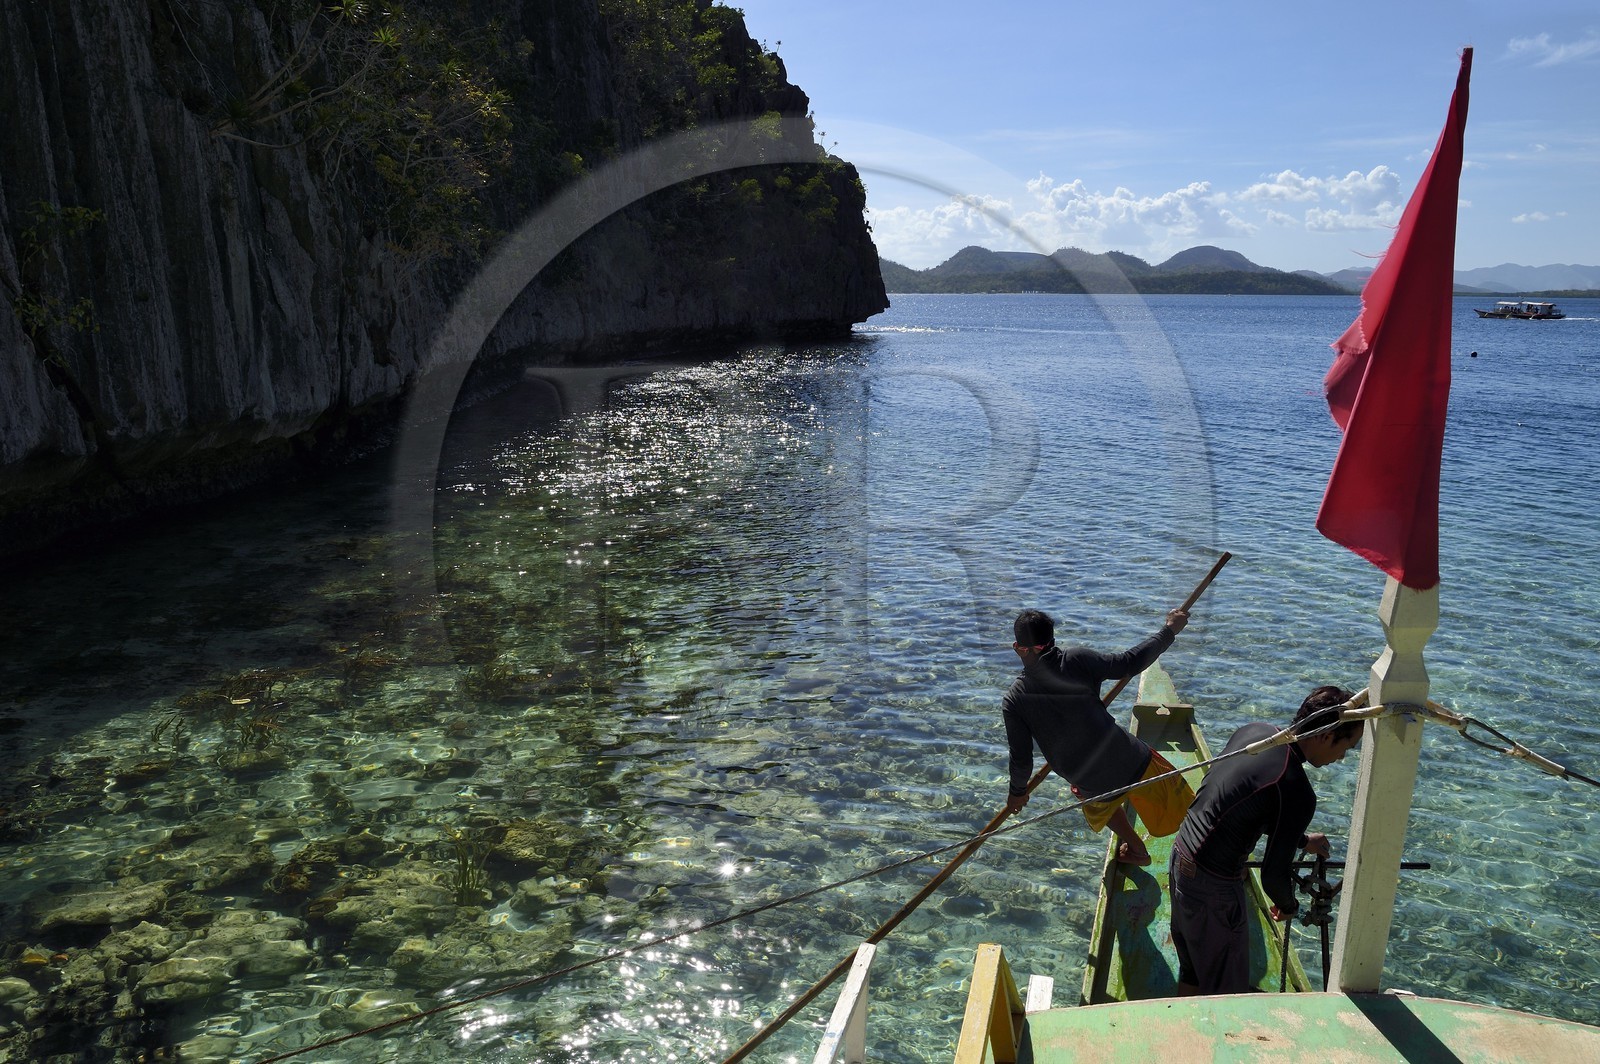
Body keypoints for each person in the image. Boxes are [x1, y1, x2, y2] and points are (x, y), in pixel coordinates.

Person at [1168, 685, 1362, 995]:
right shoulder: (1297, 791)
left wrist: (1301, 841)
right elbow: (1273, 874)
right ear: (1326, 736)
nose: (1341, 758)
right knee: (1226, 994)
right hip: (1212, 887)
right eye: (1347, 747)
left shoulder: (1254, 731)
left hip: (1181, 856)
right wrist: (1289, 905)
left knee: (1193, 968)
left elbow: (1241, 804)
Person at [1002, 606, 1194, 866]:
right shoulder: (1077, 659)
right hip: (1129, 758)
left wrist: (1017, 793)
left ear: (1017, 648)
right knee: (1190, 809)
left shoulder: (1014, 699)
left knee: (1098, 798)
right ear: (1053, 640)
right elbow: (1130, 662)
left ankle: (1136, 850)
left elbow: (1022, 759)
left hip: (1089, 781)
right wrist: (1170, 630)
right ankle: (1204, 847)